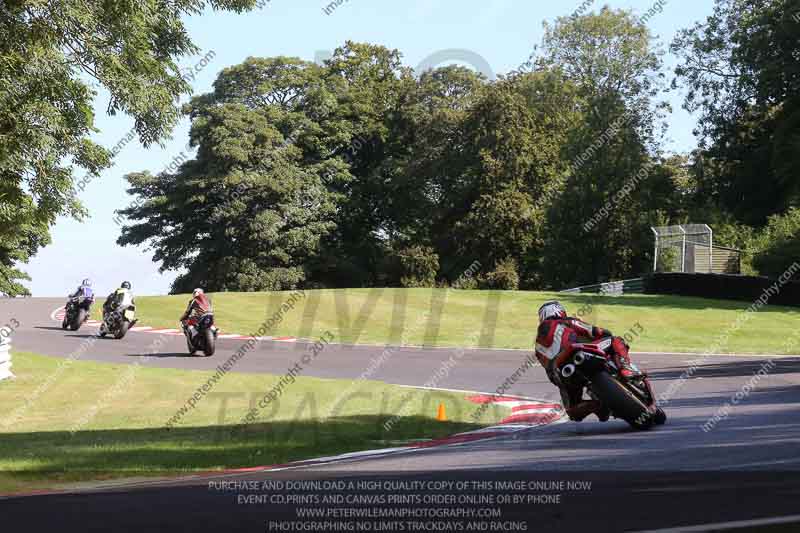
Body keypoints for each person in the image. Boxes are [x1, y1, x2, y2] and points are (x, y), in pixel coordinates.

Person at [534, 300, 636, 422]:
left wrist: (562, 382)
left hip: (563, 375)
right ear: (560, 311)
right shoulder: (566, 321)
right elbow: (596, 331)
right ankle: (625, 368)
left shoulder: (537, 346)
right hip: (580, 354)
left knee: (573, 411)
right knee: (615, 340)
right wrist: (602, 333)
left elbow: (550, 373)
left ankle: (597, 406)